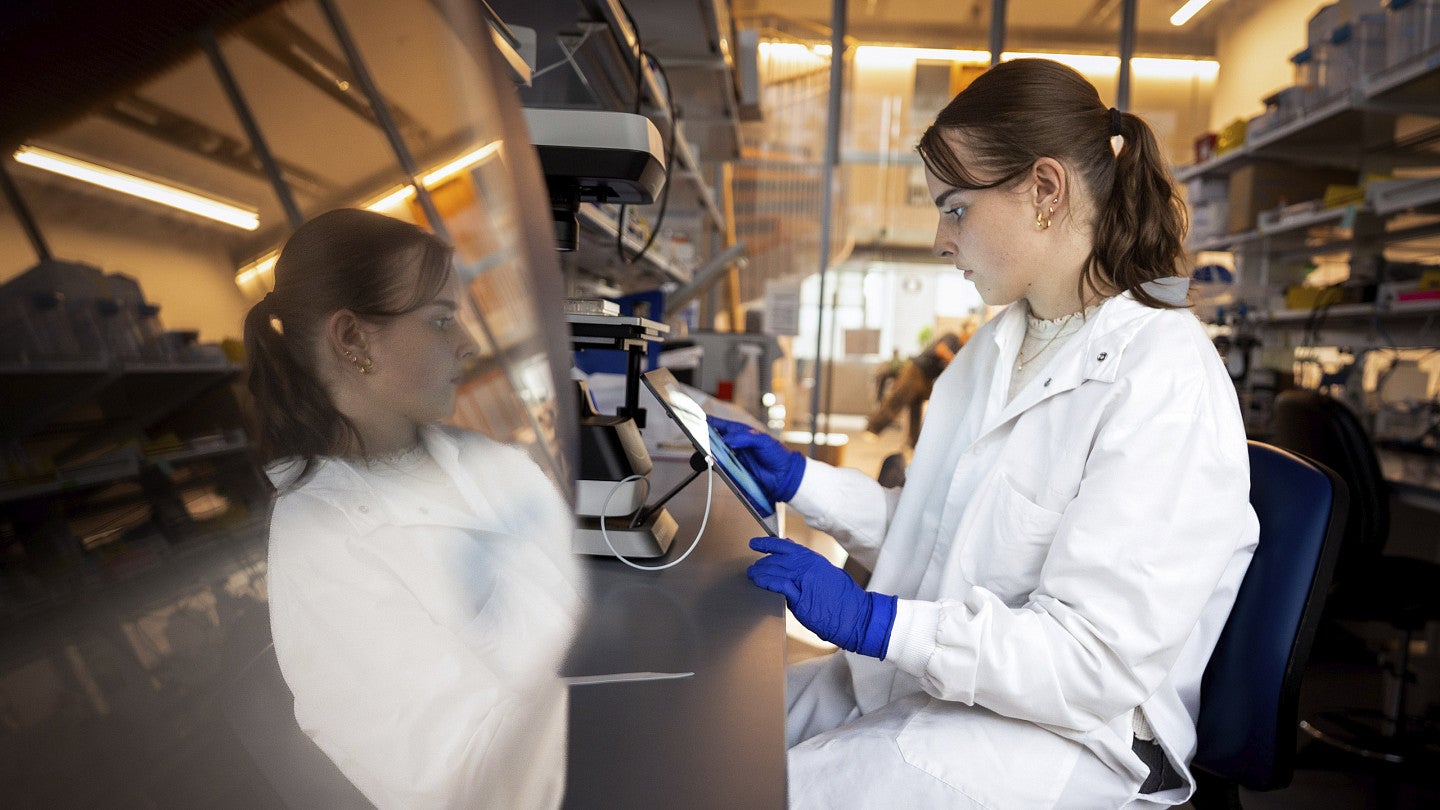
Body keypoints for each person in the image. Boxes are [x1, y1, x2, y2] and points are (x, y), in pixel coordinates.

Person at [711, 59, 1258, 809]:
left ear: (1044, 191)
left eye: (955, 208)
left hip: (1068, 737)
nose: (940, 238)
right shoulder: (998, 346)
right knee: (714, 734)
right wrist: (803, 481)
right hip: (956, 690)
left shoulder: (1163, 377)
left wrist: (877, 622)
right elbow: (940, 535)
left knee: (762, 795)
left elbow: (1088, 662)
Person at [244, 208, 584, 809]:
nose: (468, 343)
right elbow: (477, 784)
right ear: (351, 340)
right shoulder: (323, 551)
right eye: (440, 320)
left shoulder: (484, 463)